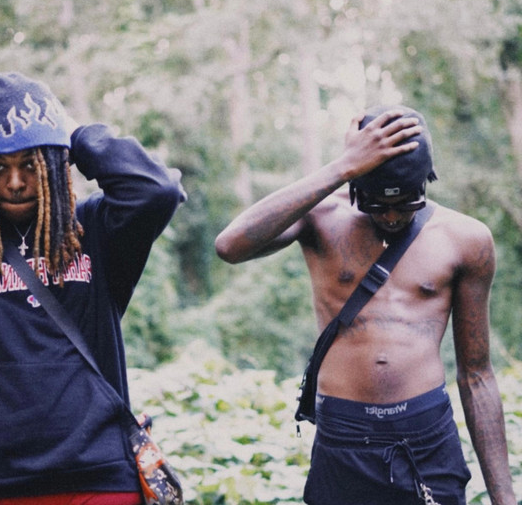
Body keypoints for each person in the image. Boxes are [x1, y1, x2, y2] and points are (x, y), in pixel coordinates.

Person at [0, 72, 186, 505]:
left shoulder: (97, 232)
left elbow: (157, 189)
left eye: (30, 163)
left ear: (55, 165)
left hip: (98, 479)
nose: (15, 181)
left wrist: (72, 136)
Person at [215, 105, 515, 505]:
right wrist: (342, 167)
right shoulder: (321, 217)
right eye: (375, 203)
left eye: (405, 203)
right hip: (345, 440)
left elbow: (476, 374)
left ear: (426, 182)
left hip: (426, 438)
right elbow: (230, 246)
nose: (390, 216)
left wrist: (504, 498)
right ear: (356, 185)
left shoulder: (466, 239)